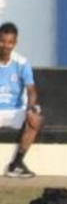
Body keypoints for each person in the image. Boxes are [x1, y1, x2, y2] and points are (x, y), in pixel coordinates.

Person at [0, 22, 41, 178]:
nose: (5, 46)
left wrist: (30, 108)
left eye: (10, 42)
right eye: (2, 41)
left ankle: (16, 164)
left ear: (15, 43)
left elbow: (31, 89)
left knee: (35, 118)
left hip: (15, 111)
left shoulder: (22, 63)